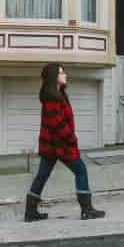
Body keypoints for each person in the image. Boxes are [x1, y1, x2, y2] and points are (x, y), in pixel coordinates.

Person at [25, 62, 106, 222]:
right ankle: (86, 210)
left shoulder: (58, 94)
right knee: (80, 170)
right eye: (61, 73)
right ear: (54, 77)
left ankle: (30, 212)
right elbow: (57, 124)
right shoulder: (51, 97)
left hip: (52, 145)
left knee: (42, 175)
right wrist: (71, 138)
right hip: (59, 145)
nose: (65, 75)